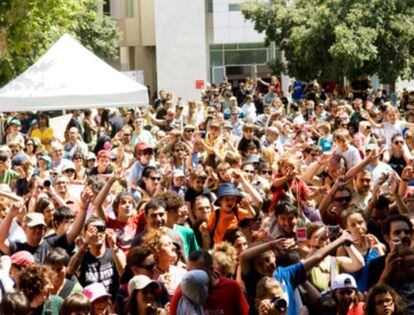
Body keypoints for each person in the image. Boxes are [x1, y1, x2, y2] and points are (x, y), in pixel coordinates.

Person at [170, 250, 249, 315]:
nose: (193, 275)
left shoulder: (231, 287)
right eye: (189, 271)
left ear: (210, 269)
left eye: (197, 271)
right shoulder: (184, 292)